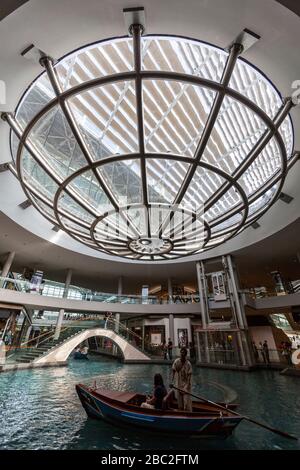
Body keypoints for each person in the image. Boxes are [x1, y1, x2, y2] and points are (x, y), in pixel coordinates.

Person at [171, 347, 193, 412]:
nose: (182, 354)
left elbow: (189, 377)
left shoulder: (188, 364)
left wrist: (186, 387)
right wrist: (172, 381)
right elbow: (173, 371)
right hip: (179, 384)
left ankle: (188, 413)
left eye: (183, 353)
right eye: (181, 352)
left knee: (186, 402)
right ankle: (181, 412)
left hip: (186, 385)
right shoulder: (177, 361)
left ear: (185, 355)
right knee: (180, 402)